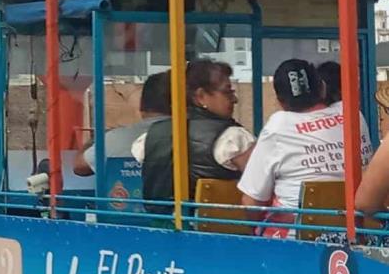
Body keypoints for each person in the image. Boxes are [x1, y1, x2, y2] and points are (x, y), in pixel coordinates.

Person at [241, 60, 372, 238]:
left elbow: (251, 203)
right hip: (359, 233)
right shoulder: (352, 114)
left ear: (280, 102)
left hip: (298, 242)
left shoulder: (278, 126)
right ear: (322, 88)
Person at [134, 59, 256, 212]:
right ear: (201, 96)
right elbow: (260, 186)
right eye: (227, 92)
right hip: (222, 231)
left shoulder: (150, 137)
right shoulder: (233, 138)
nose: (235, 99)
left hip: (160, 228)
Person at [74, 70, 171, 177]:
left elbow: (80, 167)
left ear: (142, 108)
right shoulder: (189, 135)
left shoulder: (113, 139)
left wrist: (95, 139)